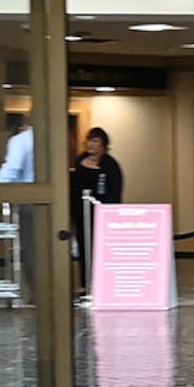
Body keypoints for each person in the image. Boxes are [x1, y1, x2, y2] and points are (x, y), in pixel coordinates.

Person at [69, 125, 125, 295]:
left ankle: (103, 282)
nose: (91, 144)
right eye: (89, 140)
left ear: (103, 145)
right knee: (83, 246)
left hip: (102, 215)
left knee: (101, 248)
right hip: (81, 214)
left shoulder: (110, 165)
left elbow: (115, 191)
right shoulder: (79, 161)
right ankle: (85, 283)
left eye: (95, 141)